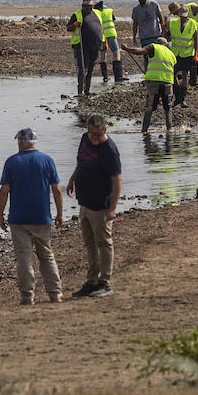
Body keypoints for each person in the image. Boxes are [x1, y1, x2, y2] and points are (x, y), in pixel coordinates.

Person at [0, 128, 63, 304]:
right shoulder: (47, 160)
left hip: (19, 218)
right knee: (47, 256)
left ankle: (28, 297)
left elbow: (4, 190)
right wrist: (60, 213)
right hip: (42, 216)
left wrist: (0, 214)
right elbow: (56, 189)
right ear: (35, 142)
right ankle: (55, 294)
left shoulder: (12, 161)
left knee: (24, 258)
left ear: (20, 142)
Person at [66, 114, 121, 298]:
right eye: (91, 134)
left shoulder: (110, 150)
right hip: (85, 202)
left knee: (103, 243)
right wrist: (73, 178)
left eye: (97, 134)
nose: (94, 138)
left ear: (105, 130)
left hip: (101, 206)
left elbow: (117, 180)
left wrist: (112, 209)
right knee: (89, 244)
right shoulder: (85, 139)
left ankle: (105, 282)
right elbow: (81, 161)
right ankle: (92, 281)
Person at [122, 37, 175, 132]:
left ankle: (144, 130)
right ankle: (169, 129)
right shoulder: (171, 54)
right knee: (168, 107)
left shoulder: (154, 47)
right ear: (166, 45)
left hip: (154, 81)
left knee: (149, 107)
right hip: (168, 82)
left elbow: (140, 51)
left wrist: (127, 49)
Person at [166, 2, 198, 107]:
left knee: (185, 75)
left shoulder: (193, 23)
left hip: (187, 53)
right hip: (175, 53)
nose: (183, 19)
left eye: (185, 17)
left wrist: (196, 53)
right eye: (181, 17)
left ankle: (182, 98)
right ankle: (177, 97)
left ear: (187, 15)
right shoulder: (173, 22)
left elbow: (196, 39)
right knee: (173, 75)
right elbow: (167, 36)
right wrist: (164, 30)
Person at [69, 0, 103, 96]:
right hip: (81, 46)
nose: (89, 8)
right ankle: (80, 91)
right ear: (82, 6)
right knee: (83, 69)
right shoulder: (77, 15)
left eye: (90, 6)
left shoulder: (97, 13)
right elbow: (68, 28)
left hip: (95, 46)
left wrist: (104, 41)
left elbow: (100, 28)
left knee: (91, 68)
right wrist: (75, 24)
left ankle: (87, 90)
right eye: (87, 7)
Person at [93, 0, 127, 83]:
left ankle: (105, 77)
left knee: (103, 55)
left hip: (101, 36)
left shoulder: (95, 13)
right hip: (110, 34)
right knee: (116, 53)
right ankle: (118, 77)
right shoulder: (109, 11)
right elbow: (113, 20)